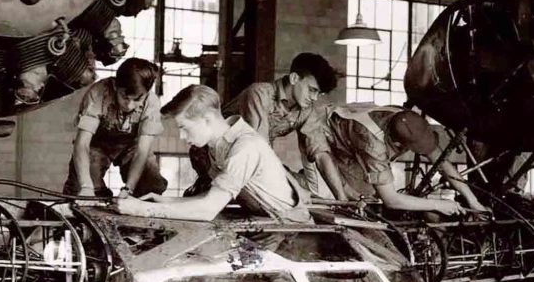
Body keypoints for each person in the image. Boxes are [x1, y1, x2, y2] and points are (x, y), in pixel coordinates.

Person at [116, 85, 310, 223]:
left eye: (184, 127)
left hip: (290, 230)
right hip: (265, 222)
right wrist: (164, 200)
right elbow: (210, 197)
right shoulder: (218, 146)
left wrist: (142, 210)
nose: (183, 137)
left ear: (207, 119)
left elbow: (208, 209)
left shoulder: (245, 147)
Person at [186, 52, 338, 195]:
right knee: (279, 192)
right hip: (210, 154)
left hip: (248, 157)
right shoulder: (258, 94)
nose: (315, 98)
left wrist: (342, 199)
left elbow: (321, 154)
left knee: (301, 187)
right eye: (312, 90)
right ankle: (201, 188)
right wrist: (294, 188)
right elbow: (261, 151)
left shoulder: (306, 110)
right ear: (294, 79)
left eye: (319, 93)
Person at [299, 103, 490, 215]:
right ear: (397, 143)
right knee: (331, 200)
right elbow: (391, 200)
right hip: (322, 132)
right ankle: (299, 185)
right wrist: (440, 206)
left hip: (349, 140)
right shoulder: (373, 143)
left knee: (364, 196)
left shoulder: (406, 119)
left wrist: (472, 200)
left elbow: (441, 161)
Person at [63, 57, 168, 199]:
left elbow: (142, 151)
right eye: (124, 97)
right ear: (115, 86)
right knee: (79, 191)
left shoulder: (152, 103)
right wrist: (86, 186)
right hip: (96, 145)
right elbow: (82, 144)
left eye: (137, 99)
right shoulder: (98, 92)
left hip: (132, 148)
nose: (129, 105)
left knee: (151, 185)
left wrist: (128, 189)